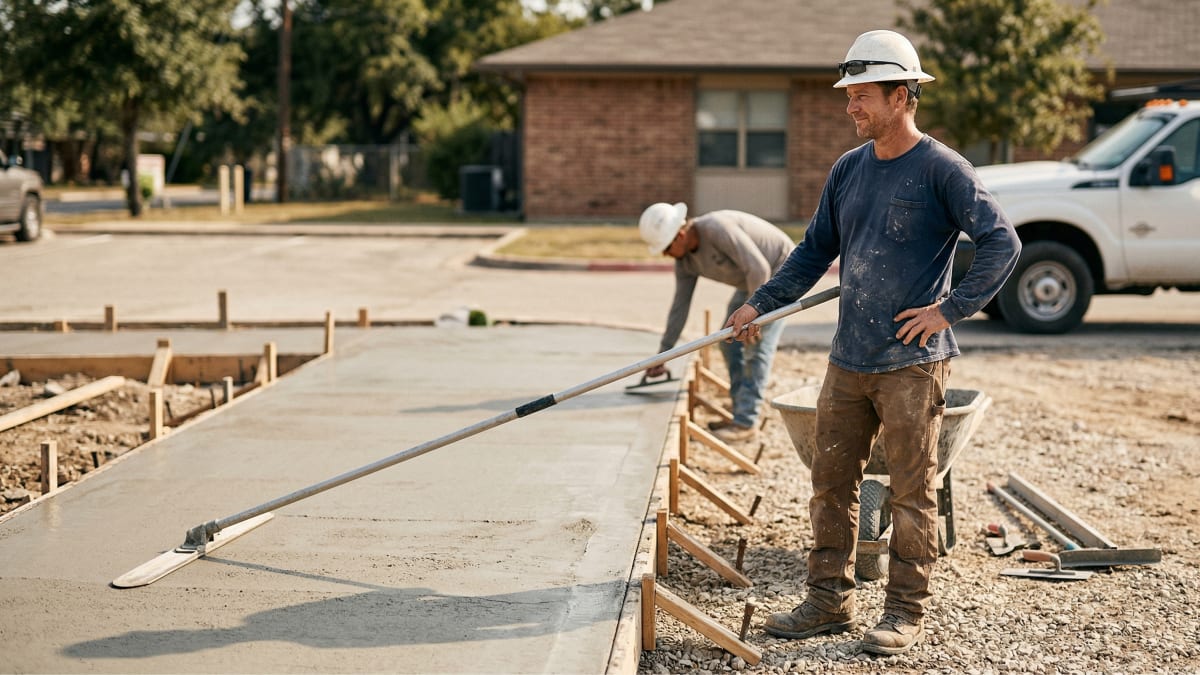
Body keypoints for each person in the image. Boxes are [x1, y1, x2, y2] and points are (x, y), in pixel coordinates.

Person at [724, 29, 1021, 655]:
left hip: (912, 364)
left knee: (912, 492)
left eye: (863, 95)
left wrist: (949, 310)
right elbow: (812, 253)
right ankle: (828, 600)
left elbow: (1003, 242)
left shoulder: (943, 169)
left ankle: (906, 610)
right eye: (849, 94)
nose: (850, 105)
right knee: (830, 485)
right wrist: (760, 303)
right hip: (848, 360)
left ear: (902, 96)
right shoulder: (848, 169)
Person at [638, 202, 794, 442]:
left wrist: (755, 317)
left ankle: (745, 422)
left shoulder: (716, 228)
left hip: (781, 272)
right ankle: (740, 409)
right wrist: (663, 354)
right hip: (753, 283)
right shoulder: (685, 263)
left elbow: (758, 268)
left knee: (755, 346)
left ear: (680, 235)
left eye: (666, 247)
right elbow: (680, 307)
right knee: (729, 342)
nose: (665, 255)